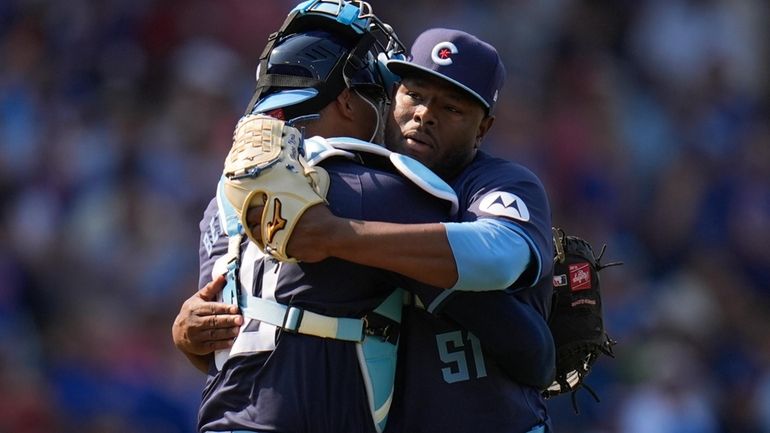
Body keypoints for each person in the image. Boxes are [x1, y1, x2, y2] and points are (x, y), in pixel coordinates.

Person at [174, 3, 554, 433]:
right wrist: (191, 333)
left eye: (452, 108)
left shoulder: (500, 182)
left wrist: (336, 236)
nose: (425, 114)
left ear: (483, 128)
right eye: (414, 94)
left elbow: (502, 264)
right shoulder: (370, 189)